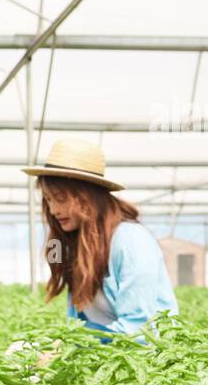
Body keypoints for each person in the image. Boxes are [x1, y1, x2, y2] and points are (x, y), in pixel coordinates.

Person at [22, 139, 177, 347]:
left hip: (143, 359)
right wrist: (66, 346)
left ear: (87, 197)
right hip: (105, 356)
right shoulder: (78, 243)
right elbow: (81, 325)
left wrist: (70, 350)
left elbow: (141, 330)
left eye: (61, 199)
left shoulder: (131, 241)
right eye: (49, 200)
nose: (53, 210)